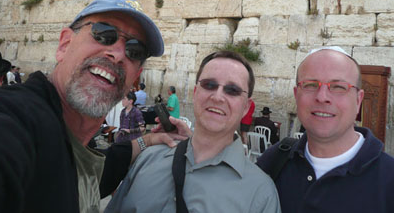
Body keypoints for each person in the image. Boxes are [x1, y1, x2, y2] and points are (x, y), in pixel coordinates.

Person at [0, 0, 188, 213]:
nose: (117, 55)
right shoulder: (16, 120)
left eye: (135, 51)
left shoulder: (76, 155)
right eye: (104, 34)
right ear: (65, 45)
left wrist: (150, 140)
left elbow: (101, 171)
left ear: (136, 77)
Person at [105, 51, 281, 213]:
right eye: (209, 85)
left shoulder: (261, 194)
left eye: (232, 90)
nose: (217, 97)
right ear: (196, 93)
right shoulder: (148, 159)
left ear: (246, 107)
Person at [257, 46, 394, 213]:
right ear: (296, 95)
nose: (322, 97)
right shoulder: (273, 162)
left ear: (358, 100)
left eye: (338, 87)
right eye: (310, 85)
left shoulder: (388, 180)